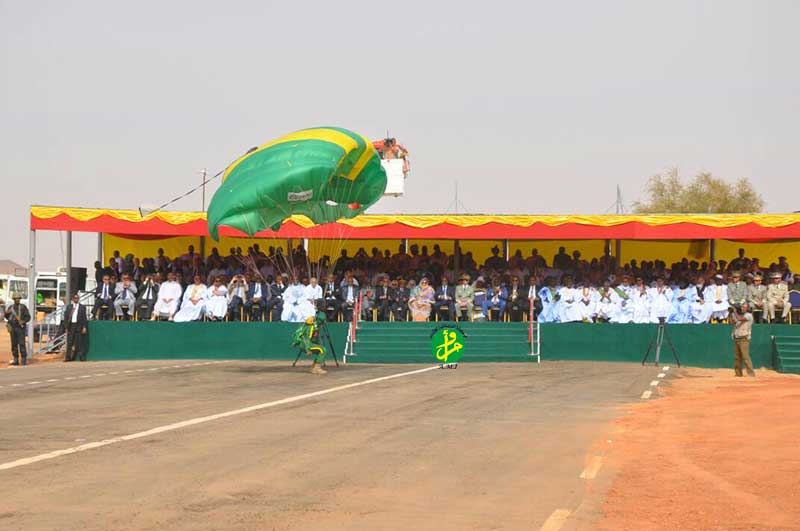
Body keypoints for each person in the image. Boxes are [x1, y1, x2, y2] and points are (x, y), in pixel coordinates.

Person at [59, 293, 88, 362]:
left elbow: (84, 318)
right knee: (69, 342)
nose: (76, 299)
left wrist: (84, 327)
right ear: (72, 299)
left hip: (79, 325)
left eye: (77, 298)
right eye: (75, 298)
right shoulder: (69, 307)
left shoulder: (82, 307)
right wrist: (66, 327)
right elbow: (66, 318)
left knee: (80, 342)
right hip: (71, 326)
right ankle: (68, 358)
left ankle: (82, 357)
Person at [729, 303, 755, 377]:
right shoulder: (739, 315)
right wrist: (731, 314)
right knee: (737, 357)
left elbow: (740, 319)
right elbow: (731, 323)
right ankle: (738, 374)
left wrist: (735, 312)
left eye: (743, 307)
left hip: (744, 338)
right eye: (741, 307)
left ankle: (751, 374)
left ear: (747, 308)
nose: (742, 308)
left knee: (745, 356)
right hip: (737, 337)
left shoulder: (748, 315)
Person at [4, 293, 30, 366]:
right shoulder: (11, 307)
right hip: (12, 328)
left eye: (18, 298)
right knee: (14, 344)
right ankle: (16, 359)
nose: (17, 300)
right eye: (16, 298)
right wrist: (6, 314)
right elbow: (6, 317)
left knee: (22, 343)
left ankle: (23, 359)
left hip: (20, 328)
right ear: (14, 299)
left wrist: (23, 321)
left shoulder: (23, 307)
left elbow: (28, 317)